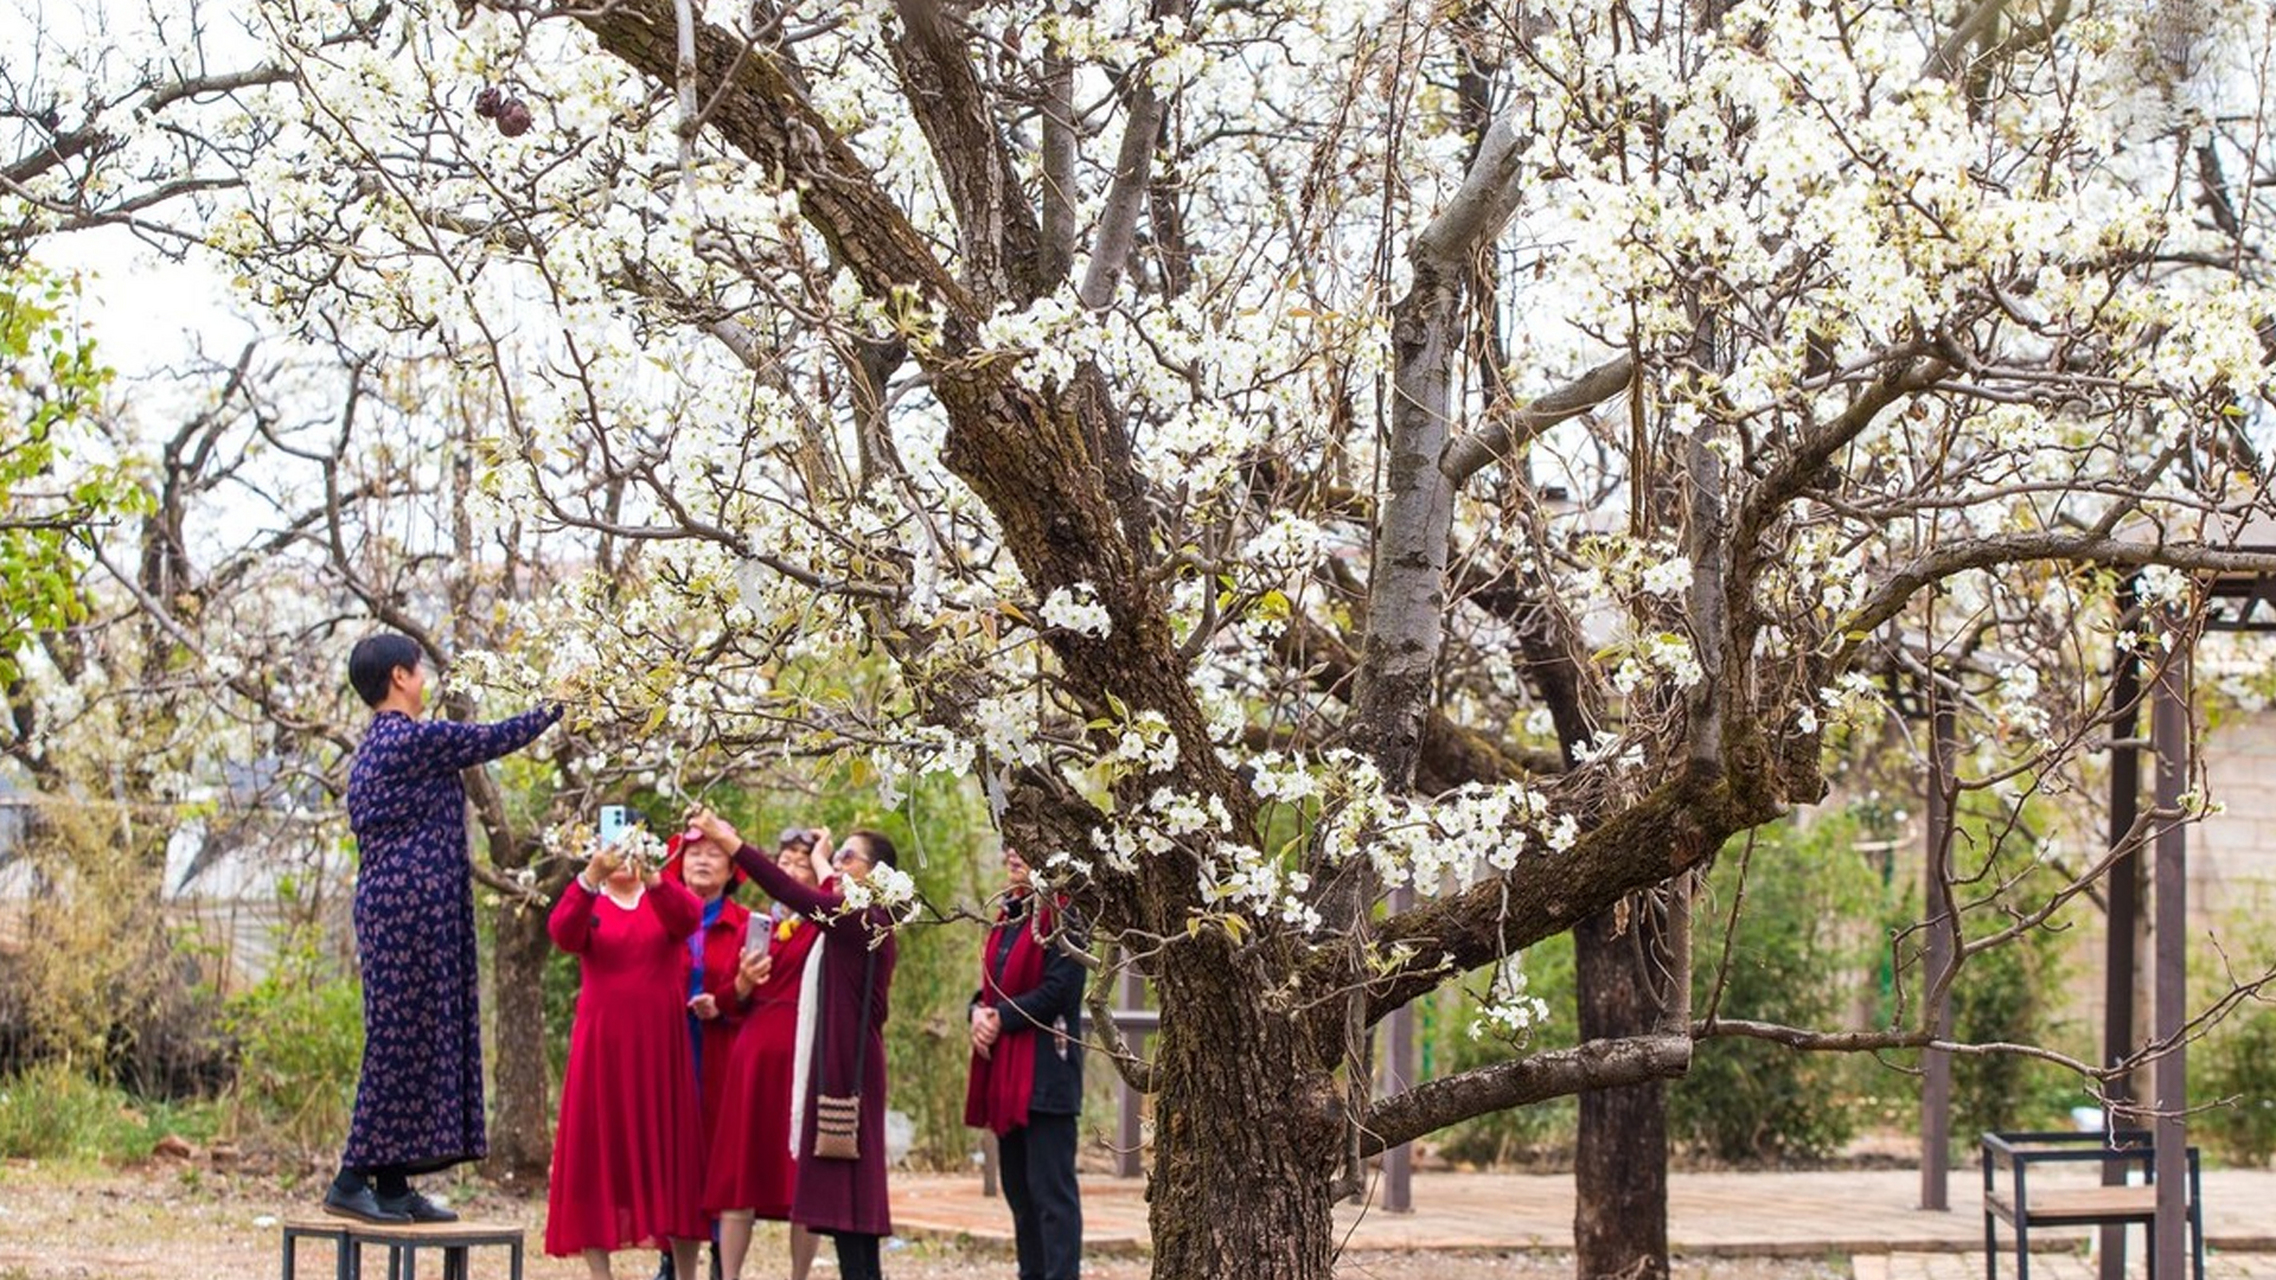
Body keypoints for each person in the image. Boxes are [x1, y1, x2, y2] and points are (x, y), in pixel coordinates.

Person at [327, 632, 560, 1224]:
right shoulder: (407, 740)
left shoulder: (385, 746)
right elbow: (494, 737)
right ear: (400, 678)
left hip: (404, 909)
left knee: (410, 1035)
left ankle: (393, 1182)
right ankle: (353, 1176)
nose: (426, 677)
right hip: (407, 910)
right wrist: (561, 700)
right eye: (420, 668)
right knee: (396, 1039)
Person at [686, 807, 899, 1280]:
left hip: (849, 1075)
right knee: (848, 1220)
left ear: (878, 873)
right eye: (836, 855)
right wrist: (828, 860)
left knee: (853, 1215)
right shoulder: (851, 918)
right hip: (836, 1070)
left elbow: (793, 892)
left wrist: (727, 838)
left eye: (848, 856)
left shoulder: (862, 920)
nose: (836, 862)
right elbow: (821, 896)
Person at [545, 838, 711, 1280]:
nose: (620, 856)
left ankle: (686, 1273)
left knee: (674, 1161)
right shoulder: (589, 899)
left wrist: (655, 875)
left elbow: (689, 917)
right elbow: (563, 933)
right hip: (603, 1050)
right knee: (596, 1155)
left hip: (661, 1048)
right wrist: (590, 878)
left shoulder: (662, 896)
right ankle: (601, 1275)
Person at [704, 828, 829, 1280]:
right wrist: (740, 983)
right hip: (752, 1053)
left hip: (801, 1050)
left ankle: (800, 1274)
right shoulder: (754, 926)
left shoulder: (824, 922)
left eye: (802, 862)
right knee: (742, 1173)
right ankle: (730, 1273)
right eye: (786, 861)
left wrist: (824, 860)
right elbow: (726, 1000)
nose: (792, 869)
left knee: (800, 1179)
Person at [964, 846, 1086, 1280]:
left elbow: (1062, 990)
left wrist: (1000, 1018)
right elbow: (991, 988)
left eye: (1024, 848)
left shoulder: (1066, 914)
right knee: (1019, 1193)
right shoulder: (1009, 914)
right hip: (1006, 1075)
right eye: (1006, 848)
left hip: (1046, 1072)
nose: (1012, 856)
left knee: (1052, 1196)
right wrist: (977, 1012)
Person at [652, 828, 753, 1280]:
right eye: (694, 853)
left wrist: (725, 998)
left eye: (715, 853)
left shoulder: (746, 922)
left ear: (732, 869)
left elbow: (760, 987)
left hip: (722, 1047)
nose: (703, 861)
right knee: (671, 1149)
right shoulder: (657, 915)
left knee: (717, 1150)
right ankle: (671, 1255)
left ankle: (719, 1254)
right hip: (668, 1047)